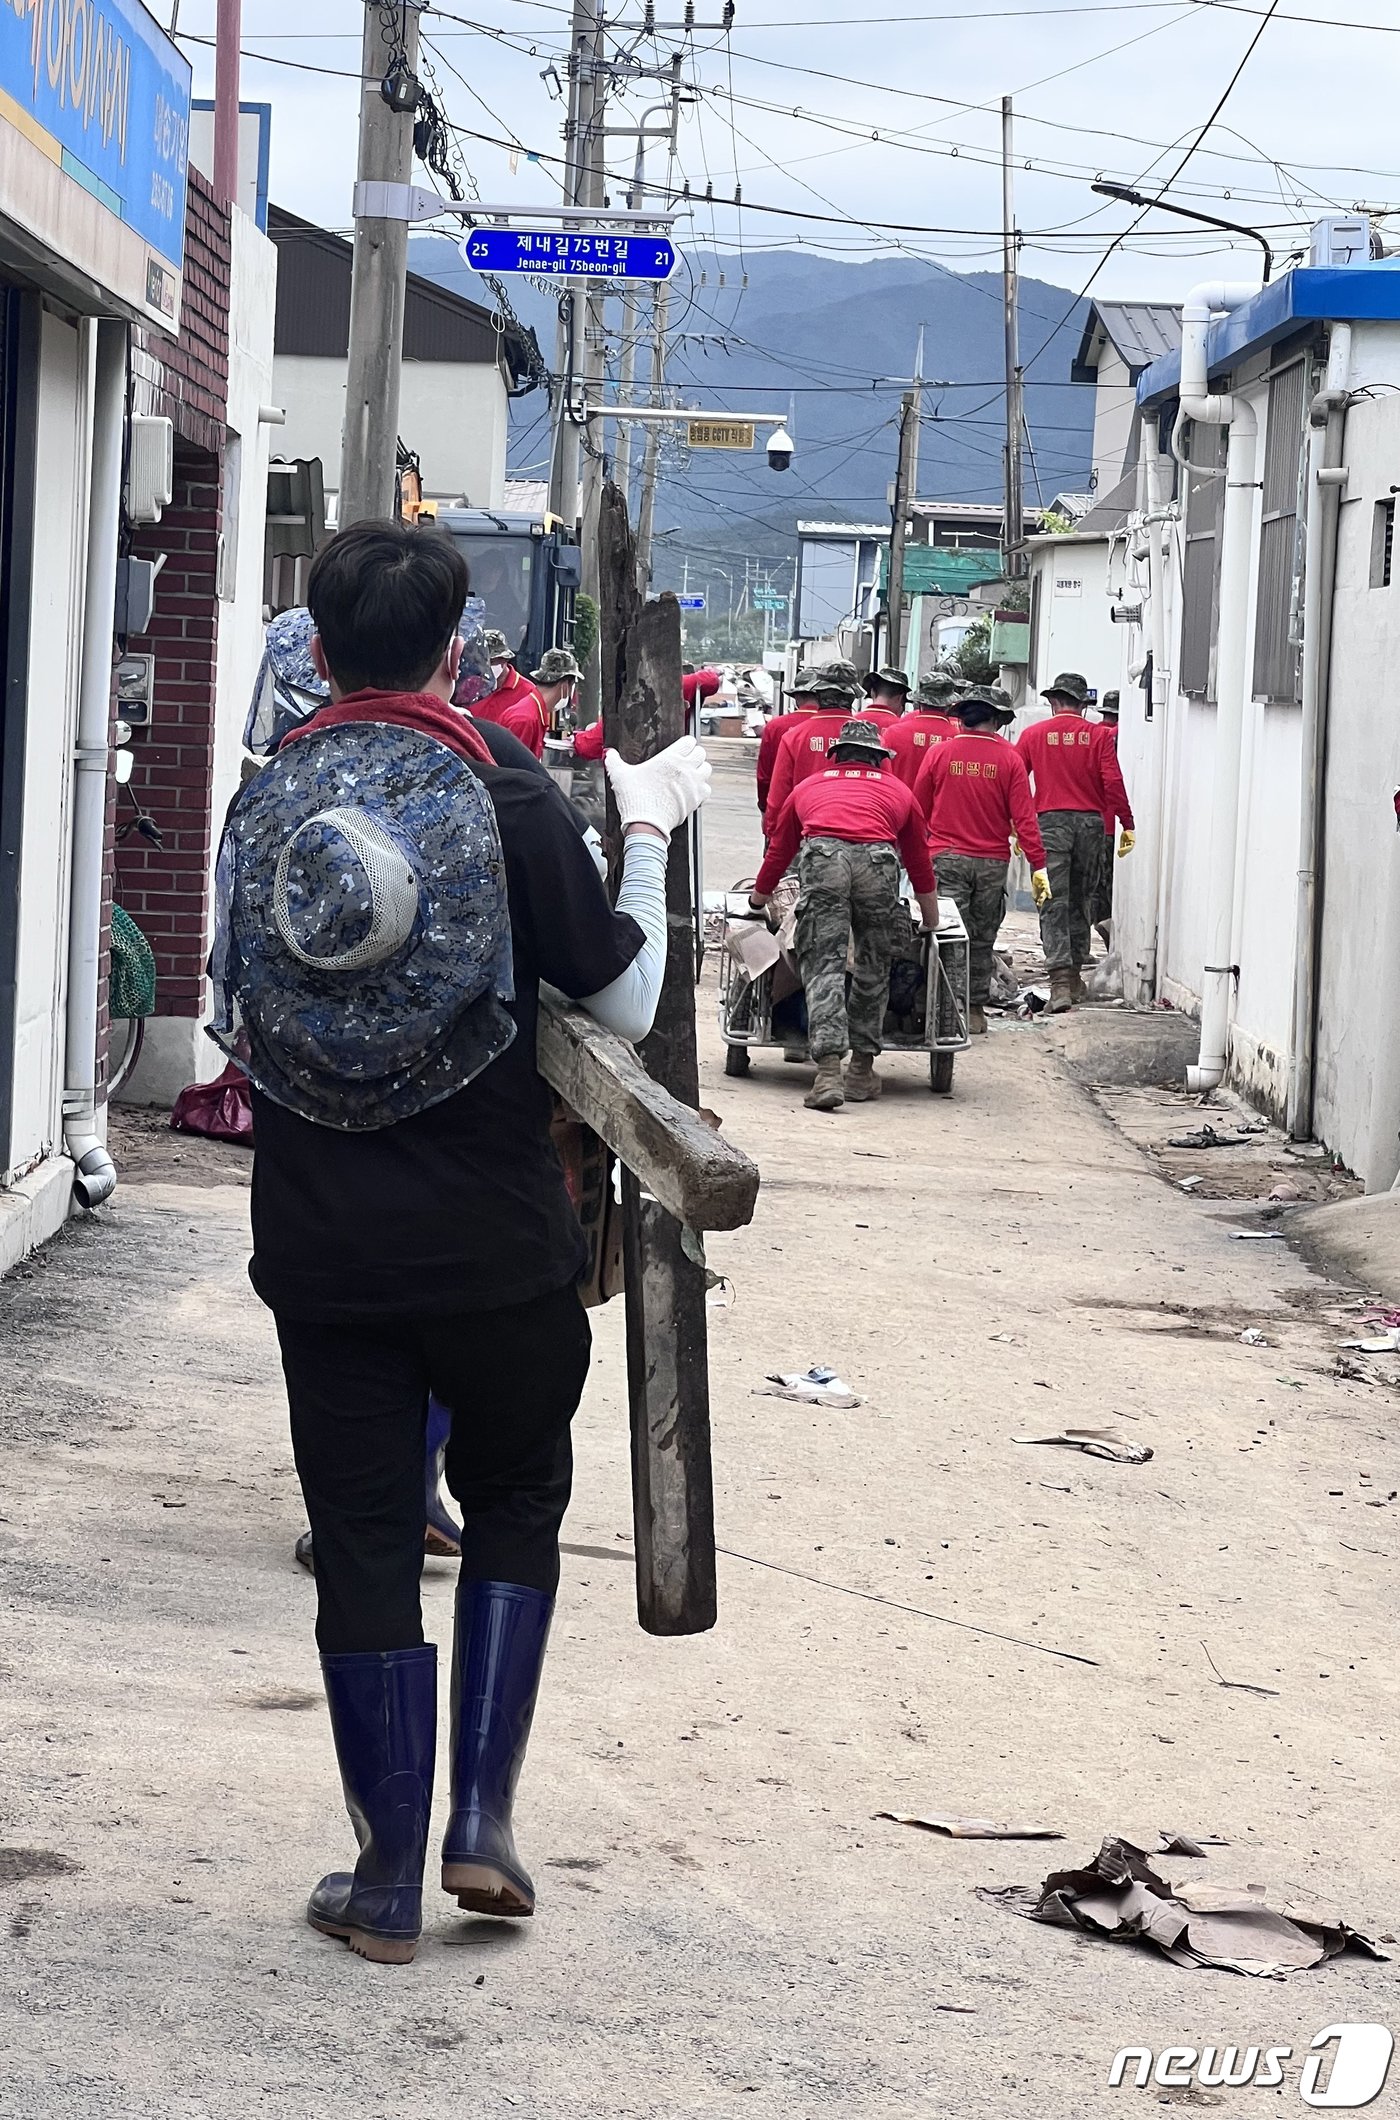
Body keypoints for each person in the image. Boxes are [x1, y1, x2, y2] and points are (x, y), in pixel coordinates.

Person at [208, 518, 711, 1966]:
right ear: (450, 644)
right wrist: (658, 834)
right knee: (511, 1507)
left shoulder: (269, 804)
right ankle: (481, 1828)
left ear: (320, 642)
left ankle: (380, 1885)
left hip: (321, 1249)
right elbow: (619, 1007)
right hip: (500, 1247)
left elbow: (238, 1002)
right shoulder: (502, 788)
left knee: (365, 1541)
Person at [753, 717, 939, 1111]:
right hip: (878, 864)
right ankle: (861, 1070)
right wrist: (931, 917)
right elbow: (920, 863)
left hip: (824, 861)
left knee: (823, 966)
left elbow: (779, 851)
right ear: (879, 759)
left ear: (835, 756)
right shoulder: (899, 791)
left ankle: (827, 1075)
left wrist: (758, 899)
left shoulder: (809, 786)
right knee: (874, 965)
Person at [913, 687, 1050, 1036]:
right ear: (999, 721)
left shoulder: (939, 754)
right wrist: (1038, 866)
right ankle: (973, 1010)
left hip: (945, 859)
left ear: (962, 718)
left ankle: (942, 1006)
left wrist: (912, 853)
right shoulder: (1010, 760)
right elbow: (1025, 818)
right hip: (991, 863)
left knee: (944, 935)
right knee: (982, 937)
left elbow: (918, 809)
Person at [1016, 671, 1134, 1013]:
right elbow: (1113, 782)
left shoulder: (1032, 735)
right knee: (1083, 899)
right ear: (1082, 705)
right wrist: (1127, 823)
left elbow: (1015, 779)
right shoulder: (1098, 737)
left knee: (1051, 901)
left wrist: (1018, 824)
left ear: (1054, 701)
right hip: (1091, 826)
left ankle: (1060, 984)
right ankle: (1074, 977)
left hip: (1049, 823)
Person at [761, 661, 864, 836]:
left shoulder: (794, 737)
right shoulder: (872, 740)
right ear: (853, 696)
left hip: (804, 836)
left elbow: (778, 798)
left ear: (818, 693)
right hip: (858, 838)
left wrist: (773, 833)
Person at [1089, 690, 1133, 944]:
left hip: (1091, 822)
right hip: (1110, 825)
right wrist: (1127, 821)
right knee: (1111, 885)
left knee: (1092, 889)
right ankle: (1108, 930)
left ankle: (1095, 929)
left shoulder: (1092, 737)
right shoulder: (1117, 737)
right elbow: (1114, 781)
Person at [754, 666, 824, 819]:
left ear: (797, 697)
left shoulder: (776, 727)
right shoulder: (840, 727)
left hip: (784, 814)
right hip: (825, 815)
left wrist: (765, 810)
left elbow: (764, 776)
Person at [887, 670, 962, 788]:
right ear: (949, 704)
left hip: (898, 804)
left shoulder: (893, 733)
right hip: (937, 806)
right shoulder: (957, 738)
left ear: (919, 701)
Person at [471, 629, 546, 731]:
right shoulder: (470, 687)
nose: (486, 666)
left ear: (505, 659)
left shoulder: (528, 692)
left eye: (491, 661)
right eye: (482, 661)